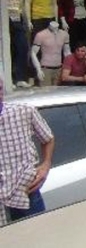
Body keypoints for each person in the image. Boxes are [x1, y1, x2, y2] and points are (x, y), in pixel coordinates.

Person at [0, 77, 55, 226]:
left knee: (35, 239)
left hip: (26, 193)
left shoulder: (24, 112)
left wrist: (46, 165)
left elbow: (48, 138)